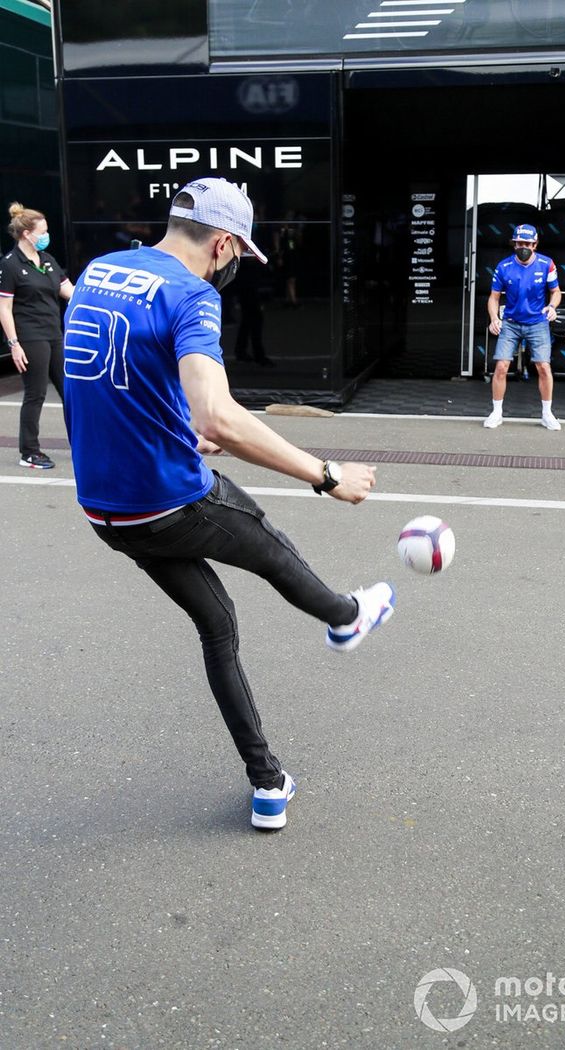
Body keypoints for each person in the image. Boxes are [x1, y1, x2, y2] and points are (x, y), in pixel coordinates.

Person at [63, 177, 395, 831]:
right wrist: (326, 475)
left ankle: (268, 785)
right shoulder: (193, 296)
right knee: (270, 549)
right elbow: (220, 420)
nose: (234, 263)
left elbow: (108, 370)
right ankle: (347, 617)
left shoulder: (103, 269)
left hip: (107, 511)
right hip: (170, 501)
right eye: (237, 251)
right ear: (221, 243)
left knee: (218, 625)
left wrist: (171, 421)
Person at [0, 202, 74, 468]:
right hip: (30, 336)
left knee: (70, 391)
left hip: (55, 333)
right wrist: (14, 345)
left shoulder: (47, 260)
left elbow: (70, 292)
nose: (45, 236)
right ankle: (29, 451)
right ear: (26, 234)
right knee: (36, 393)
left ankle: (80, 442)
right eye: (41, 232)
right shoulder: (9, 265)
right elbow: (4, 309)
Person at [483, 223, 562, 430]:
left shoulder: (547, 264)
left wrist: (552, 306)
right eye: (519, 243)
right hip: (510, 323)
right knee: (501, 366)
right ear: (514, 243)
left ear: (535, 244)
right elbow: (493, 297)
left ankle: (547, 414)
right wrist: (493, 318)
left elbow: (556, 291)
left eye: (527, 243)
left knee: (543, 367)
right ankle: (496, 412)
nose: (523, 247)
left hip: (537, 322)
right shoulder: (504, 266)